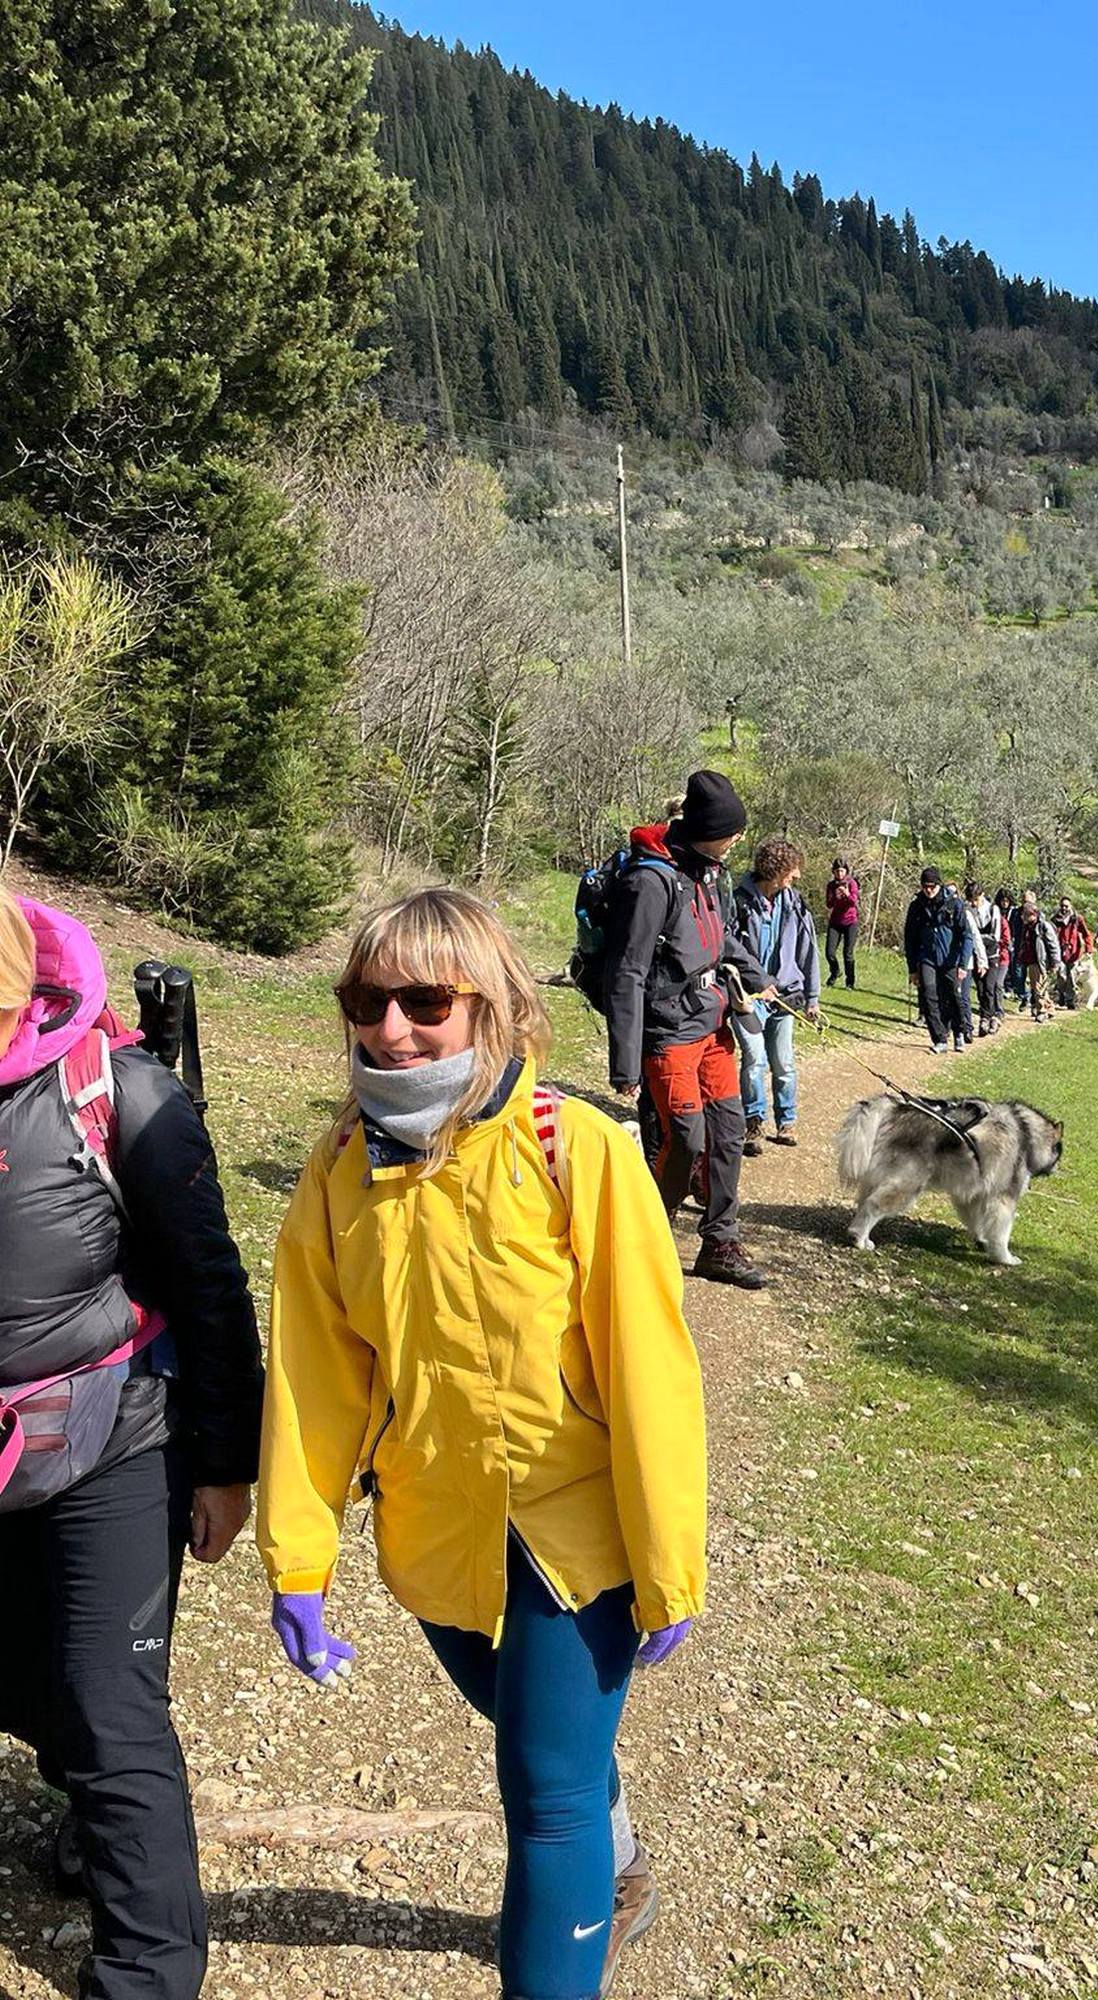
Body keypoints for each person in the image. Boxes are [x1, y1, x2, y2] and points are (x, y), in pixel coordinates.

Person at [259, 887, 707, 2000]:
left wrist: (668, 1565)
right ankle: (617, 1842)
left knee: (542, 1792)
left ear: (495, 1006)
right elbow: (318, 1377)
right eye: (368, 997)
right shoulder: (337, 1169)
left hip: (574, 1537)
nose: (392, 1026)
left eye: (426, 998)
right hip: (434, 1533)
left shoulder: (579, 1148)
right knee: (539, 1738)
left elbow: (651, 1372)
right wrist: (298, 1558)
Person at [0, 889, 263, 2000]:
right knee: (30, 1676)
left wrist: (223, 1465)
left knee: (111, 1705)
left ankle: (149, 1971)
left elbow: (210, 1288)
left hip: (112, 1432)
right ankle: (81, 1821)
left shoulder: (124, 1096)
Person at [604, 771, 777, 1290]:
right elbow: (627, 972)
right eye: (733, 832)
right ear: (709, 830)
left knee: (727, 1134)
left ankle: (719, 1242)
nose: (739, 841)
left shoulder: (707, 872)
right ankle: (649, 1228)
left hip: (712, 1025)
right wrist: (625, 1062)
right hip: (668, 1033)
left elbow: (720, 939)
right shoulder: (650, 881)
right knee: (685, 1137)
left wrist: (759, 979)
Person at [731, 838, 820, 1152]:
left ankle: (787, 1121)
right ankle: (753, 1123)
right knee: (754, 1059)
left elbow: (809, 951)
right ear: (775, 871)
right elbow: (730, 950)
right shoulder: (738, 902)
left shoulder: (794, 903)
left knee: (783, 1063)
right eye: (792, 869)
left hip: (786, 997)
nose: (796, 875)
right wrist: (757, 982)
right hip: (749, 998)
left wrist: (812, 998)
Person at [902, 866, 975, 1055]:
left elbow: (966, 935)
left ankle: (959, 1031)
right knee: (928, 996)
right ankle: (939, 1038)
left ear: (939, 885)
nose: (928, 890)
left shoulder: (954, 904)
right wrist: (912, 968)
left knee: (953, 996)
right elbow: (909, 938)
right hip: (927, 958)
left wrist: (963, 964)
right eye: (925, 886)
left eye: (932, 886)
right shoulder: (917, 906)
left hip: (950, 959)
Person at [1010, 890, 1061, 1022]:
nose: (1023, 918)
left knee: (1039, 986)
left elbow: (1053, 944)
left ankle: (1042, 1010)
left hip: (1040, 960)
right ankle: (1049, 1008)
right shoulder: (1027, 927)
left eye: (1026, 915)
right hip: (1029, 959)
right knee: (1038, 986)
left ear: (1033, 915)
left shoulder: (1043, 926)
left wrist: (1055, 962)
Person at [967, 880, 1009, 1037]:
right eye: (971, 900)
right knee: (980, 988)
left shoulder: (993, 909)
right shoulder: (968, 910)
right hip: (976, 954)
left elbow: (996, 936)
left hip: (992, 955)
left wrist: (977, 937)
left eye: (975, 899)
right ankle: (986, 1016)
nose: (973, 903)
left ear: (982, 895)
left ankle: (989, 1017)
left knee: (990, 986)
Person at [823, 858, 861, 990]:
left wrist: (847, 894)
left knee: (848, 954)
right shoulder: (831, 885)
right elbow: (828, 904)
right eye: (837, 871)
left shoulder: (852, 883)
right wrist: (835, 896)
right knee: (829, 953)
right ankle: (835, 971)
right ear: (833, 872)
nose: (839, 874)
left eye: (842, 871)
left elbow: (854, 902)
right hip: (835, 922)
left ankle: (850, 982)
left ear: (846, 871)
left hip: (851, 922)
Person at [1053, 896, 1093, 1009]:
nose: (1064, 908)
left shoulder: (1077, 919)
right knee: (1061, 975)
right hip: (1059, 952)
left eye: (1066, 906)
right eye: (1062, 906)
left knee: (1071, 976)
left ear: (1070, 907)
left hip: (1074, 952)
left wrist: (1088, 948)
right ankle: (1061, 995)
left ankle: (1070, 1000)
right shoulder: (1056, 919)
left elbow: (1086, 934)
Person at [996, 889, 1025, 1008]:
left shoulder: (1014, 912)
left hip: (1012, 942)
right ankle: (1007, 988)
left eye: (1007, 901)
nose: (1005, 903)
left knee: (1014, 968)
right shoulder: (996, 911)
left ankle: (1020, 992)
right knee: (1004, 967)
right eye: (1003, 901)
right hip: (999, 942)